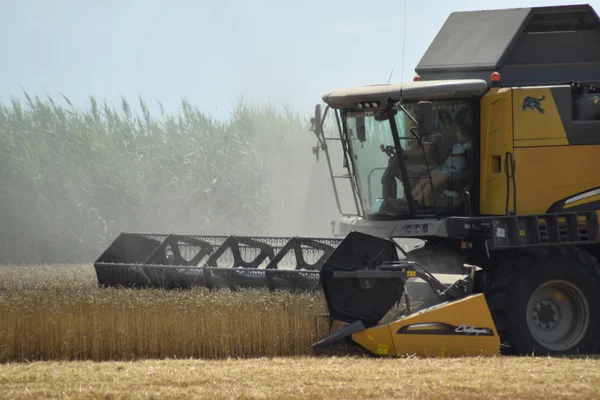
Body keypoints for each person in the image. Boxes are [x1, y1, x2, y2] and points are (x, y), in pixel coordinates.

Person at [411, 108, 472, 206]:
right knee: (423, 180)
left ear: (467, 133)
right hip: (444, 167)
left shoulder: (469, 146)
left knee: (429, 185)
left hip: (451, 171)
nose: (456, 133)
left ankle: (415, 202)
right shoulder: (459, 144)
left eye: (460, 132)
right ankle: (408, 199)